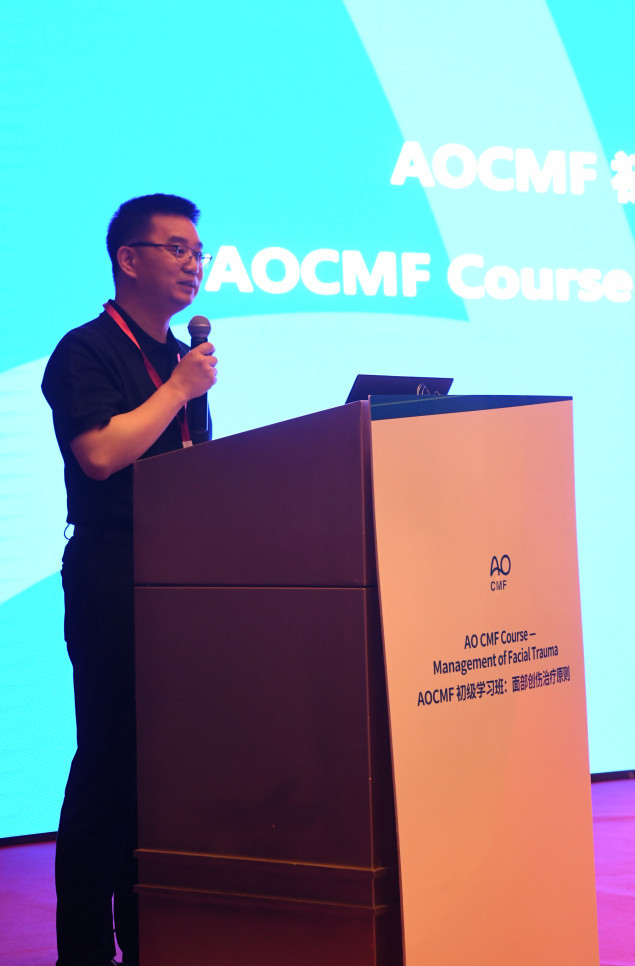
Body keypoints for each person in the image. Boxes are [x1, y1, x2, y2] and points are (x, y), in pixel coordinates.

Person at [41, 194, 217, 966]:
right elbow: (101, 456)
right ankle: (84, 951)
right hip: (113, 572)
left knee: (161, 778)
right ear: (128, 258)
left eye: (198, 251)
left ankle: (152, 941)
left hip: (178, 581)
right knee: (109, 767)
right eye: (176, 248)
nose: (193, 263)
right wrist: (178, 390)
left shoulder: (179, 357)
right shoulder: (86, 351)